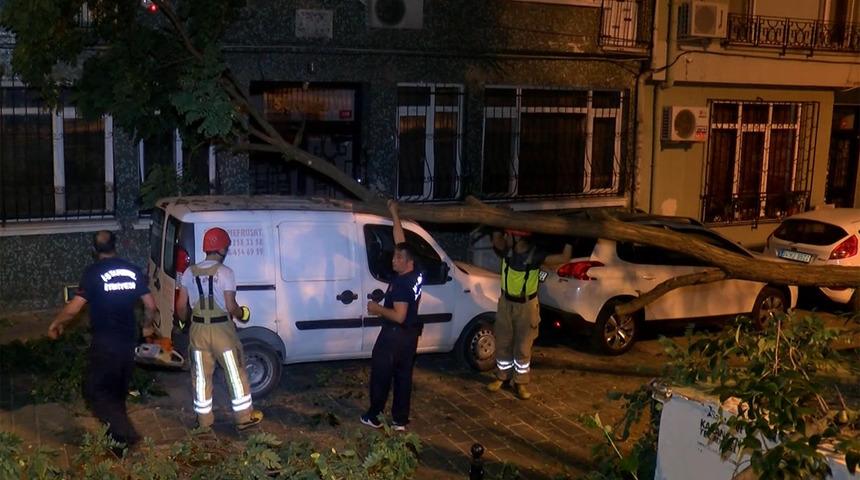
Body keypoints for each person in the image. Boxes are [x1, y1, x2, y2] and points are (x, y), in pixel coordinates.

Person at [48, 230, 157, 448]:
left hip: (106, 342)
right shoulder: (132, 270)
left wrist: (56, 323)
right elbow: (150, 305)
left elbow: (73, 309)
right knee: (117, 389)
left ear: (94, 250)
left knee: (95, 390)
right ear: (115, 245)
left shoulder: (93, 273)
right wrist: (146, 326)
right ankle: (118, 440)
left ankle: (124, 433)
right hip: (128, 340)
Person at [174, 227, 263, 431]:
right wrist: (243, 314)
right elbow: (231, 307)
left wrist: (184, 322)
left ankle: (203, 422)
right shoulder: (226, 273)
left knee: (200, 377)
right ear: (222, 249)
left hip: (198, 330)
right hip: (222, 330)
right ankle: (243, 418)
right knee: (235, 373)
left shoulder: (189, 272)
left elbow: (181, 306)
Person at [486, 229, 572, 400]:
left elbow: (564, 258)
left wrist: (570, 237)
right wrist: (496, 223)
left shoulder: (536, 255)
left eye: (509, 235)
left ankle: (521, 382)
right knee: (503, 342)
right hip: (506, 303)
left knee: (523, 346)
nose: (505, 237)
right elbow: (496, 239)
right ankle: (502, 377)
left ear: (518, 237)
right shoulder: (507, 251)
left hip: (527, 306)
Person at [361, 200, 423, 431]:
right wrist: (394, 213)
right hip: (409, 337)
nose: (393, 259)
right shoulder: (416, 273)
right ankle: (400, 420)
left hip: (394, 336)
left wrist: (376, 308)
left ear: (408, 262)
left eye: (398, 258)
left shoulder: (402, 285)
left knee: (381, 374)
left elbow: (399, 316)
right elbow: (400, 241)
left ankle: (374, 416)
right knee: (403, 376)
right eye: (394, 256)